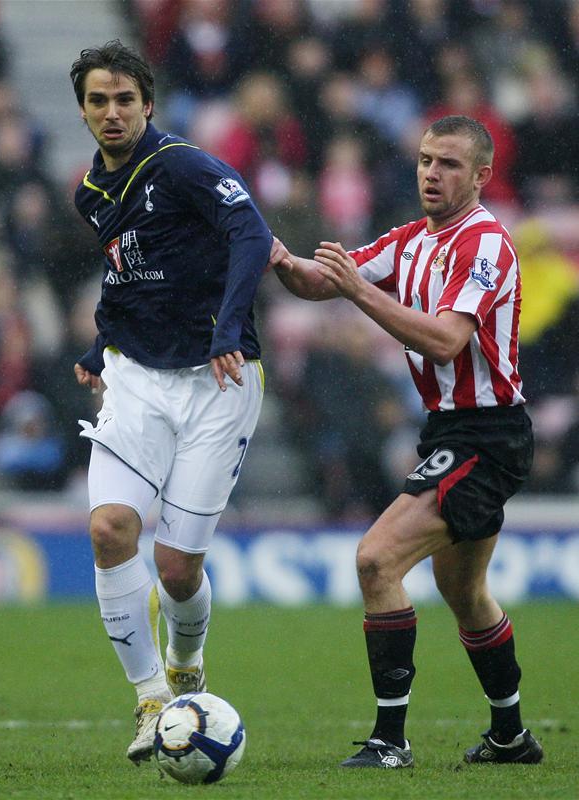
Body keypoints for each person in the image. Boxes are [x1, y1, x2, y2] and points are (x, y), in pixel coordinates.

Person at [268, 115, 543, 768]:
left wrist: (359, 291)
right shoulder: (411, 242)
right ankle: (511, 736)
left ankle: (390, 741)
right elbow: (319, 281)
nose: (430, 172)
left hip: (489, 435)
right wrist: (273, 253)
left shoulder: (484, 245)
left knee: (376, 560)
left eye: (447, 164)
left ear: (480, 176)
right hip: (451, 432)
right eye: (424, 160)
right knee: (465, 592)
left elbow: (448, 338)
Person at [69, 40, 271, 763]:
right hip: (138, 378)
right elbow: (126, 276)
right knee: (109, 529)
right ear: (84, 110)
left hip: (217, 379)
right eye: (99, 100)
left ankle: (189, 668)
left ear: (147, 104)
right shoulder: (89, 192)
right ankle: (153, 699)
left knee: (178, 569)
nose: (113, 112)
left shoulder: (182, 165)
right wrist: (101, 345)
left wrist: (227, 327)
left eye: (125, 99)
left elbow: (252, 230)